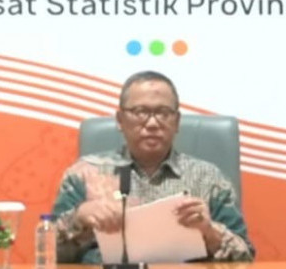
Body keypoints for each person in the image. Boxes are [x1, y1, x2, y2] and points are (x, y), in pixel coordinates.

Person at [51, 70, 255, 263]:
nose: (152, 124)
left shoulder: (209, 179)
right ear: (120, 120)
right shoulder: (84, 174)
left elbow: (245, 258)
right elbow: (48, 253)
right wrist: (79, 219)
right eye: (140, 112)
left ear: (177, 121)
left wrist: (209, 232)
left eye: (163, 113)